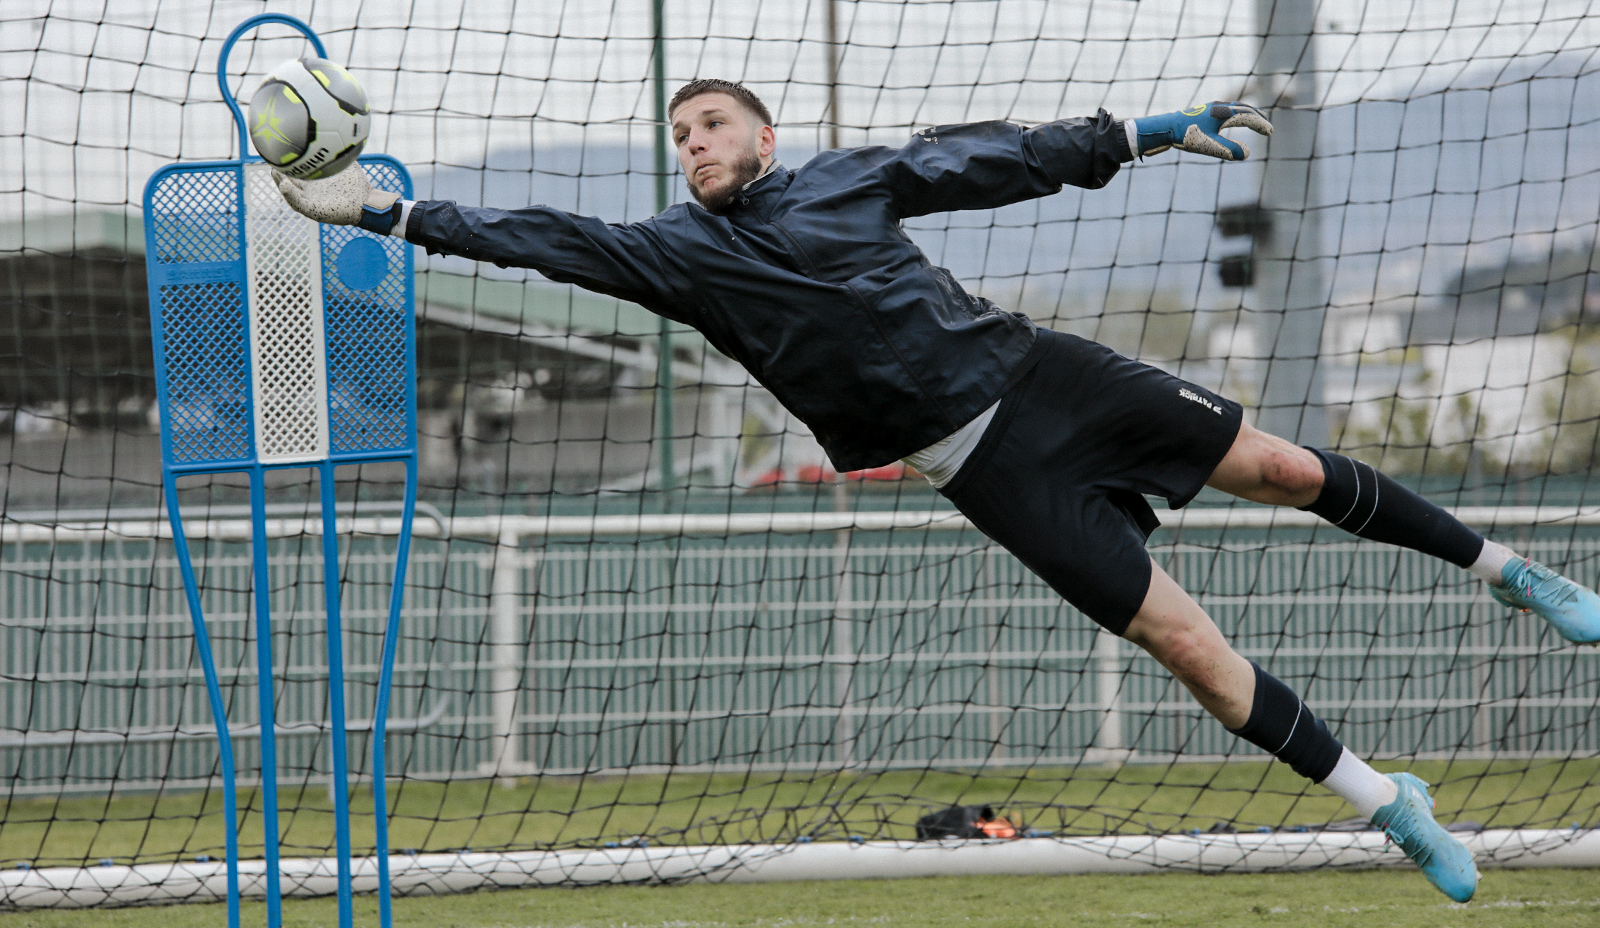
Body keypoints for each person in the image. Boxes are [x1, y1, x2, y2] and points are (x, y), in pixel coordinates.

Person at [274, 78, 1600, 903]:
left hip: (1048, 378)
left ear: (765, 135)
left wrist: (1139, 133)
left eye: (712, 124)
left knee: (1287, 467)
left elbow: (991, 158)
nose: (694, 144)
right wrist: (384, 214)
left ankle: (1511, 573)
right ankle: (1387, 801)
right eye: (678, 135)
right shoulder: (673, 254)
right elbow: (539, 239)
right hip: (985, 469)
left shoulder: (846, 180)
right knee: (1190, 649)